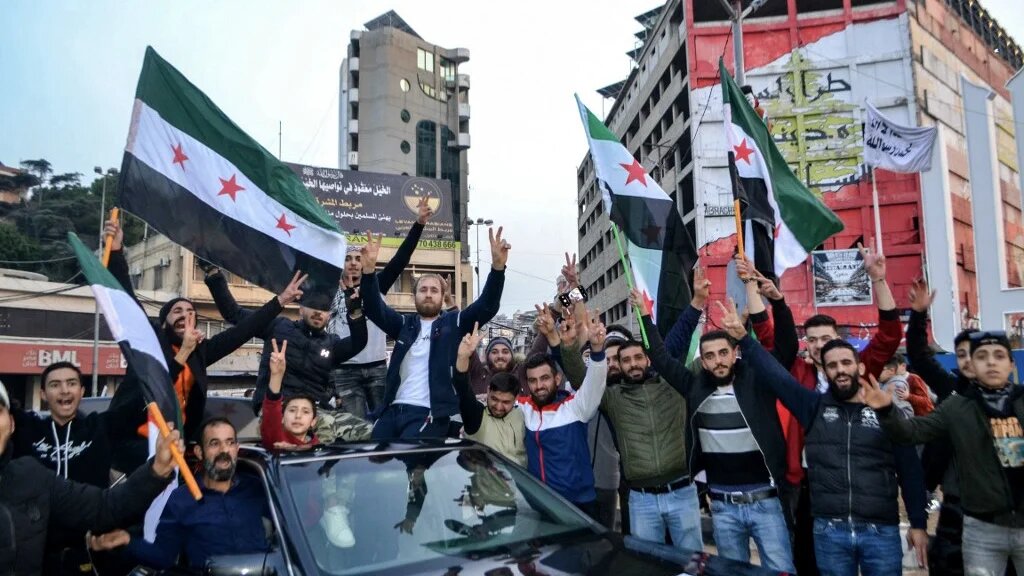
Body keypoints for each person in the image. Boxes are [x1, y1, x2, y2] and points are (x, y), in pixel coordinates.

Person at [731, 299, 928, 576]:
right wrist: (744, 339)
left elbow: (909, 469)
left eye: (846, 362)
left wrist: (918, 522)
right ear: (824, 369)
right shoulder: (813, 407)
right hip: (830, 531)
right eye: (832, 365)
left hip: (880, 531)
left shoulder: (885, 411)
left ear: (860, 368)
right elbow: (776, 377)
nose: (840, 369)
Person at [104, 219, 293, 473]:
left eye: (191, 312)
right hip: (134, 446)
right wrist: (116, 251)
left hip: (175, 449)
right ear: (164, 323)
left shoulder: (199, 353)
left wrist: (280, 301)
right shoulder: (150, 340)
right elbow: (127, 302)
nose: (185, 315)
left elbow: (242, 331)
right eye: (177, 311)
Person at [636, 284, 793, 571]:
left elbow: (786, 350)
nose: (718, 361)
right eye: (710, 356)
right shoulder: (694, 388)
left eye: (723, 353)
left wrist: (778, 305)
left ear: (735, 354)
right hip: (722, 506)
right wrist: (645, 317)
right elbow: (661, 358)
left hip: (767, 501)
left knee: (780, 570)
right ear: (704, 362)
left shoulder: (758, 381)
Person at [866, 330, 1024, 575]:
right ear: (972, 365)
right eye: (982, 356)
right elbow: (912, 431)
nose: (991, 362)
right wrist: (887, 410)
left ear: (1011, 363)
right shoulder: (958, 406)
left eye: (999, 356)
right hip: (982, 528)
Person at [0, 380, 179, 576]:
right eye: (55, 385)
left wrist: (157, 470)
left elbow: (105, 508)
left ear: (11, 424)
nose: (64, 390)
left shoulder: (29, 476)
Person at [359, 227, 508, 440]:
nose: (428, 294)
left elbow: (487, 305)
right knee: (376, 457)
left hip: (428, 413)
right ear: (414, 296)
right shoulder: (404, 324)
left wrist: (497, 268)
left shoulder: (455, 322)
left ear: (442, 296)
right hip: (392, 410)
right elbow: (374, 308)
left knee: (408, 456)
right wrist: (368, 272)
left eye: (434, 290)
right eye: (423, 290)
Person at [90, 418, 272, 570]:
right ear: (199, 452)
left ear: (237, 449)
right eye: (214, 444)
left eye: (230, 442)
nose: (224, 451)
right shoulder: (181, 500)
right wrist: (127, 540)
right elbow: (163, 556)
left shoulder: (259, 488)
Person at [205, 265, 368, 419]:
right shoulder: (277, 326)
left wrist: (355, 311)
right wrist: (213, 274)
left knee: (364, 431)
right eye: (313, 305)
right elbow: (234, 313)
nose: (318, 312)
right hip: (276, 406)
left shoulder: (332, 343)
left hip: (316, 412)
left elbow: (359, 342)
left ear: (329, 315)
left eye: (324, 308)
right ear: (301, 309)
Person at [11, 362, 127, 576]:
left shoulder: (99, 428)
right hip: (36, 555)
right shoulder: (27, 429)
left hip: (91, 551)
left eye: (71, 383)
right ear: (43, 394)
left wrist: (179, 357)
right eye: (55, 385)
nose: (64, 390)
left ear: (82, 391)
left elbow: (142, 401)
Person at [329, 196, 435, 419]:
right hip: (345, 371)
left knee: (383, 426)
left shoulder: (376, 285)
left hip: (377, 369)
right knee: (356, 429)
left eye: (358, 258)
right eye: (348, 258)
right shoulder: (330, 292)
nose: (353, 262)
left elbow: (401, 259)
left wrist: (419, 224)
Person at [906, 279, 980, 575]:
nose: (969, 360)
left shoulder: (1014, 400)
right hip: (955, 509)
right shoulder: (951, 390)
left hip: (1005, 514)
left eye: (976, 353)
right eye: (961, 354)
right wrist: (918, 314)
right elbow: (919, 355)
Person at [518, 313, 608, 518]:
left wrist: (597, 349)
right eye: (533, 381)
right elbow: (492, 405)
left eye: (544, 378)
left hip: (579, 505)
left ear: (557, 379)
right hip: (541, 506)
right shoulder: (524, 407)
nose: (539, 386)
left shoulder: (576, 407)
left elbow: (595, 381)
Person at [454, 326, 526, 466]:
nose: (498, 407)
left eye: (506, 402)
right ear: (487, 391)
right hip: (485, 480)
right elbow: (462, 387)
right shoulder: (477, 416)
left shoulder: (524, 415)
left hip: (520, 479)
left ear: (516, 398)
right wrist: (463, 357)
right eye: (494, 399)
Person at [260, 339, 318, 451]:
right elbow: (271, 409)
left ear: (313, 421)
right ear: (282, 418)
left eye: (305, 411)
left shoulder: (319, 447)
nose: (298, 416)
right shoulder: (275, 439)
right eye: (292, 410)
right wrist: (276, 375)